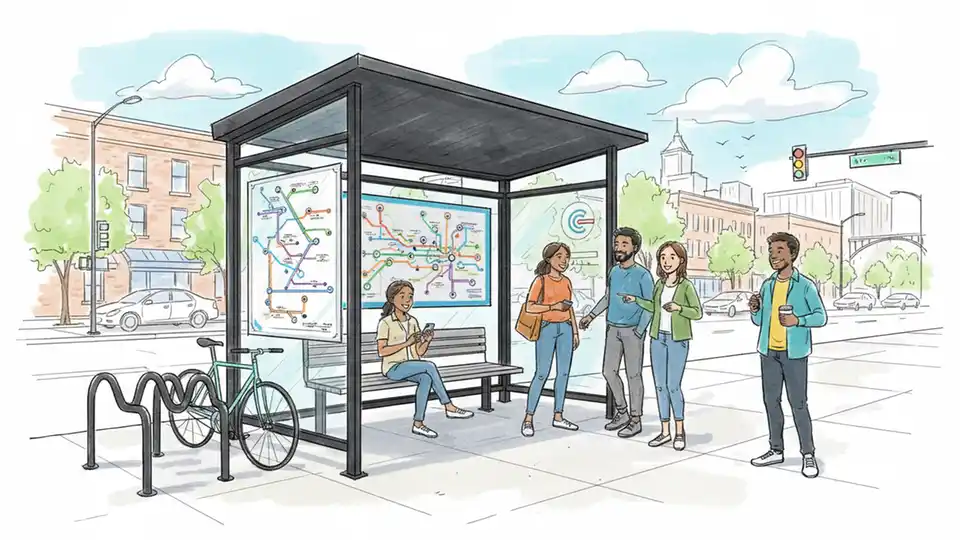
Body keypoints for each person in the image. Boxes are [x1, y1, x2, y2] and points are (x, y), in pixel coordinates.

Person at [747, 232, 827, 478]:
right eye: (771, 252)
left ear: (792, 254)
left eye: (780, 251)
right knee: (771, 402)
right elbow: (759, 321)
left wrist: (797, 321)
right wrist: (755, 310)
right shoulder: (767, 285)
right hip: (768, 352)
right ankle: (776, 449)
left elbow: (821, 316)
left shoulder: (805, 286)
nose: (774, 256)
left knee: (798, 404)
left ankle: (808, 454)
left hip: (794, 354)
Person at [622, 241, 701, 451]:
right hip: (657, 339)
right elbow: (653, 306)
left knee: (673, 386)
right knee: (660, 386)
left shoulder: (686, 286)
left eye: (672, 257)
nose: (667, 261)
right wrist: (636, 300)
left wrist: (679, 308)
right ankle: (665, 431)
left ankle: (680, 431)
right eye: (663, 257)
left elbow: (697, 312)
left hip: (677, 340)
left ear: (681, 260)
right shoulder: (659, 284)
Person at [579, 227, 654, 438]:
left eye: (624, 244)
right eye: (617, 244)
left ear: (634, 248)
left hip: (633, 331)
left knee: (633, 375)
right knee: (608, 371)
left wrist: (640, 330)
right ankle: (622, 412)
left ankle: (636, 419)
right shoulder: (614, 272)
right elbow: (608, 297)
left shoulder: (643, 275)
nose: (619, 248)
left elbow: (651, 306)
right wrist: (591, 315)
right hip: (613, 329)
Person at [376, 279, 474, 439]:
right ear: (392, 299)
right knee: (429, 366)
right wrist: (406, 343)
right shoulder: (385, 323)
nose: (407, 300)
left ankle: (418, 423)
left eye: (410, 296)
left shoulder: (412, 321)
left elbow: (418, 352)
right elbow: (381, 351)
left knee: (426, 378)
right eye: (402, 296)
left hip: (411, 366)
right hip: (393, 368)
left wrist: (426, 340)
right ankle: (449, 406)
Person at [521, 242, 580, 437]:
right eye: (559, 257)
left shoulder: (567, 281)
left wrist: (575, 331)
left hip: (566, 329)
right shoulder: (541, 281)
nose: (564, 261)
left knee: (563, 373)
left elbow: (569, 308)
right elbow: (530, 307)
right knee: (541, 373)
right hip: (546, 329)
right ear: (549, 259)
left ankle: (559, 416)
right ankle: (528, 418)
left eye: (566, 257)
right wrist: (553, 307)